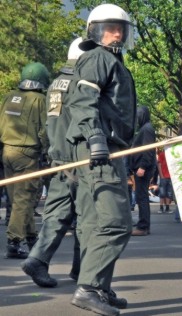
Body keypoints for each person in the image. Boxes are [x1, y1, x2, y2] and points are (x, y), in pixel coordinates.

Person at [66, 4, 136, 315]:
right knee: (117, 222)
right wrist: (96, 139)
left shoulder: (110, 60)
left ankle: (99, 287)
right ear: (95, 29)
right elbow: (83, 101)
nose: (118, 32)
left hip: (105, 146)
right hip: (100, 148)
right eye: (110, 27)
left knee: (96, 223)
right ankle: (90, 287)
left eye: (121, 27)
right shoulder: (98, 57)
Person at [20, 38, 85, 288]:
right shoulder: (82, 83)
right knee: (87, 214)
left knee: (57, 214)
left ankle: (38, 258)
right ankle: (82, 268)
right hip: (78, 156)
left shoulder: (55, 84)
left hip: (58, 156)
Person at [0, 62, 50, 259]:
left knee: (17, 197)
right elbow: (45, 130)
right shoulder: (39, 100)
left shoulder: (8, 97)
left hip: (7, 152)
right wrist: (47, 152)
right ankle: (14, 241)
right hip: (27, 154)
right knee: (24, 198)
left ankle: (30, 237)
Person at [130, 106, 156, 236]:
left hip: (143, 168)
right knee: (142, 197)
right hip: (142, 167)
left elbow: (148, 150)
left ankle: (143, 226)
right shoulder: (146, 128)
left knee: (142, 197)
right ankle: (143, 225)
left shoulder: (146, 129)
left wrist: (143, 167)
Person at [156, 147, 174, 214]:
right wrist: (161, 175)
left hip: (169, 176)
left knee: (168, 193)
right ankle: (161, 208)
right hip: (164, 176)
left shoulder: (171, 155)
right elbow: (159, 165)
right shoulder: (162, 154)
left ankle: (166, 208)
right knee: (163, 193)